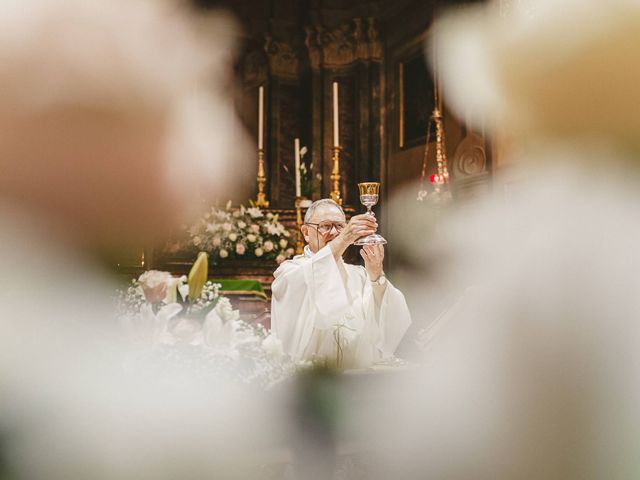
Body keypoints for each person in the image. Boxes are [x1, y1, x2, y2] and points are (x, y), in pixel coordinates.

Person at [271, 198, 411, 369]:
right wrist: (345, 238)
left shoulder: (358, 274)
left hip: (358, 378)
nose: (335, 232)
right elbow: (312, 275)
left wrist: (376, 275)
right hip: (309, 381)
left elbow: (389, 316)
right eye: (325, 226)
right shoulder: (290, 272)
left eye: (339, 226)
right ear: (306, 232)